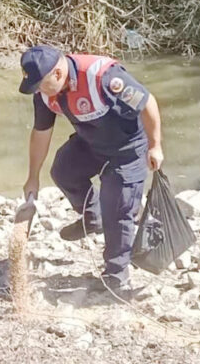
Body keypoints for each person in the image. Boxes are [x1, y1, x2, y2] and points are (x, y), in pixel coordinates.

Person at [19, 45, 163, 297]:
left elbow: (147, 102)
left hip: (128, 148)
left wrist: (155, 145)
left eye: (41, 84)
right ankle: (92, 217)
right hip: (91, 141)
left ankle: (116, 278)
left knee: (117, 207)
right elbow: (41, 133)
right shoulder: (44, 93)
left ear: (56, 74)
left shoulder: (103, 78)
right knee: (63, 170)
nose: (38, 90)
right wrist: (33, 177)